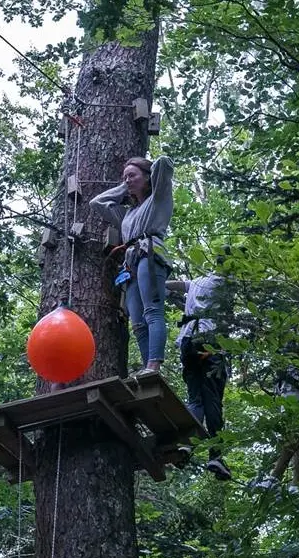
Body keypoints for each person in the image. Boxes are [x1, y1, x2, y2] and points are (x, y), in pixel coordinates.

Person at [91, 156, 174, 374]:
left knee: (152, 311)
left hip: (150, 253)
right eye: (124, 177)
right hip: (130, 262)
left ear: (148, 177)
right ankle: (149, 367)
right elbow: (97, 203)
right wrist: (125, 186)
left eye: (132, 176)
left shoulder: (158, 198)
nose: (127, 180)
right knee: (137, 321)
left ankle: (154, 365)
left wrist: (146, 175)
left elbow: (164, 164)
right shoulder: (127, 214)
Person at [168, 271, 232, 481]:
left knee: (195, 399)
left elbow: (174, 285)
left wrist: (155, 281)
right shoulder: (225, 282)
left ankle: (187, 443)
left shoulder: (197, 281)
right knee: (212, 400)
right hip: (210, 341)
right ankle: (216, 455)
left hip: (188, 342)